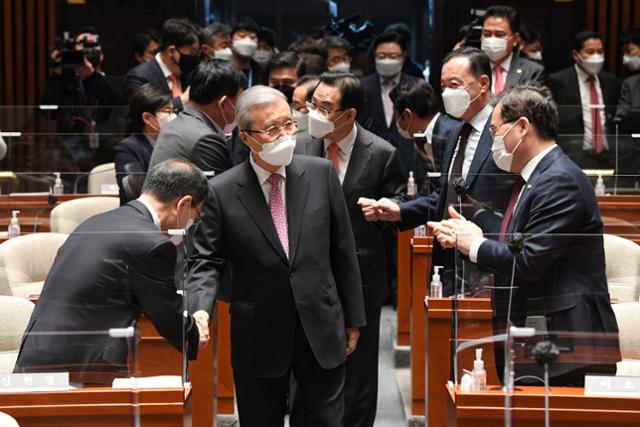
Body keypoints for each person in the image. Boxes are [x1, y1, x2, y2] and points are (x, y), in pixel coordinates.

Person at [185, 85, 366, 426]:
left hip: (320, 323)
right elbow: (206, 260)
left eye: (288, 124)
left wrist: (353, 317)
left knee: (324, 420)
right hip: (260, 331)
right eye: (271, 129)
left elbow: (343, 250)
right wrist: (200, 308)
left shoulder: (320, 173)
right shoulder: (222, 191)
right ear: (246, 138)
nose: (284, 135)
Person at [427, 84, 620, 386]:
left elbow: (531, 261)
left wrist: (475, 246)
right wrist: (478, 234)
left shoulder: (559, 180)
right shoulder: (536, 178)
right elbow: (521, 242)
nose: (493, 141)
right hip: (541, 334)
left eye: (495, 130)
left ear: (522, 127)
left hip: (567, 341)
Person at [14, 159, 209, 383]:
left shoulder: (94, 222)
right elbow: (165, 313)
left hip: (35, 357)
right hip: (77, 370)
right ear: (183, 204)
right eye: (196, 215)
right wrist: (195, 331)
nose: (192, 222)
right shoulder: (151, 243)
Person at [293, 72, 405, 427]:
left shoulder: (382, 153)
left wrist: (387, 207)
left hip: (361, 275)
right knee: (308, 360)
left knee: (359, 368)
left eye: (325, 108)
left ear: (349, 115)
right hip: (309, 275)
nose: (315, 114)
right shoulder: (299, 146)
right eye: (314, 104)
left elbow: (400, 202)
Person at [370, 47, 514, 294]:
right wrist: (400, 211)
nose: (447, 93)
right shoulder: (456, 131)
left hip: (489, 257)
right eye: (443, 85)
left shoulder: (504, 133)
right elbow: (444, 194)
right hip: (449, 259)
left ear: (482, 83)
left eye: (455, 84)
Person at [148, 58, 246, 174]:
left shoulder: (178, 123)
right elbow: (222, 190)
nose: (241, 110)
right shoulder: (206, 140)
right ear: (223, 104)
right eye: (239, 103)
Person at [547, 31, 621, 169]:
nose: (596, 56)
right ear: (576, 55)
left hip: (608, 155)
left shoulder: (612, 82)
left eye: (600, 51)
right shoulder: (558, 81)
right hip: (571, 154)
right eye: (590, 51)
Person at [358, 30, 417, 177]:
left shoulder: (415, 86)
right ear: (375, 57)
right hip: (370, 160)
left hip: (406, 160)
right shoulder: (362, 86)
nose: (387, 60)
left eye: (393, 56)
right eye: (381, 56)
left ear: (403, 57)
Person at [389, 78, 459, 190]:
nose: (396, 121)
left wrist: (400, 208)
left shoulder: (449, 135)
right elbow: (426, 189)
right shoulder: (421, 138)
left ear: (407, 115)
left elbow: (443, 191)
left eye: (396, 116)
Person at [115, 83, 174, 205]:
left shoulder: (175, 142)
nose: (173, 116)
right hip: (140, 219)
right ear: (147, 118)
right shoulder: (126, 149)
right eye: (168, 111)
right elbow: (136, 189)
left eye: (174, 111)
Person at [126, 18, 200, 111]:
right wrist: (182, 100)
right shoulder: (139, 76)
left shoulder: (191, 73)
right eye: (192, 52)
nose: (194, 57)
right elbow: (145, 115)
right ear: (172, 51)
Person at [480, 5, 546, 96]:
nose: (492, 39)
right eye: (487, 34)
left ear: (515, 39)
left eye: (499, 34)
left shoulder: (532, 71)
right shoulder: (472, 68)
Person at [229, 16, 266, 87]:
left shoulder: (261, 73)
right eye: (242, 36)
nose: (248, 41)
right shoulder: (221, 69)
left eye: (252, 37)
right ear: (230, 40)